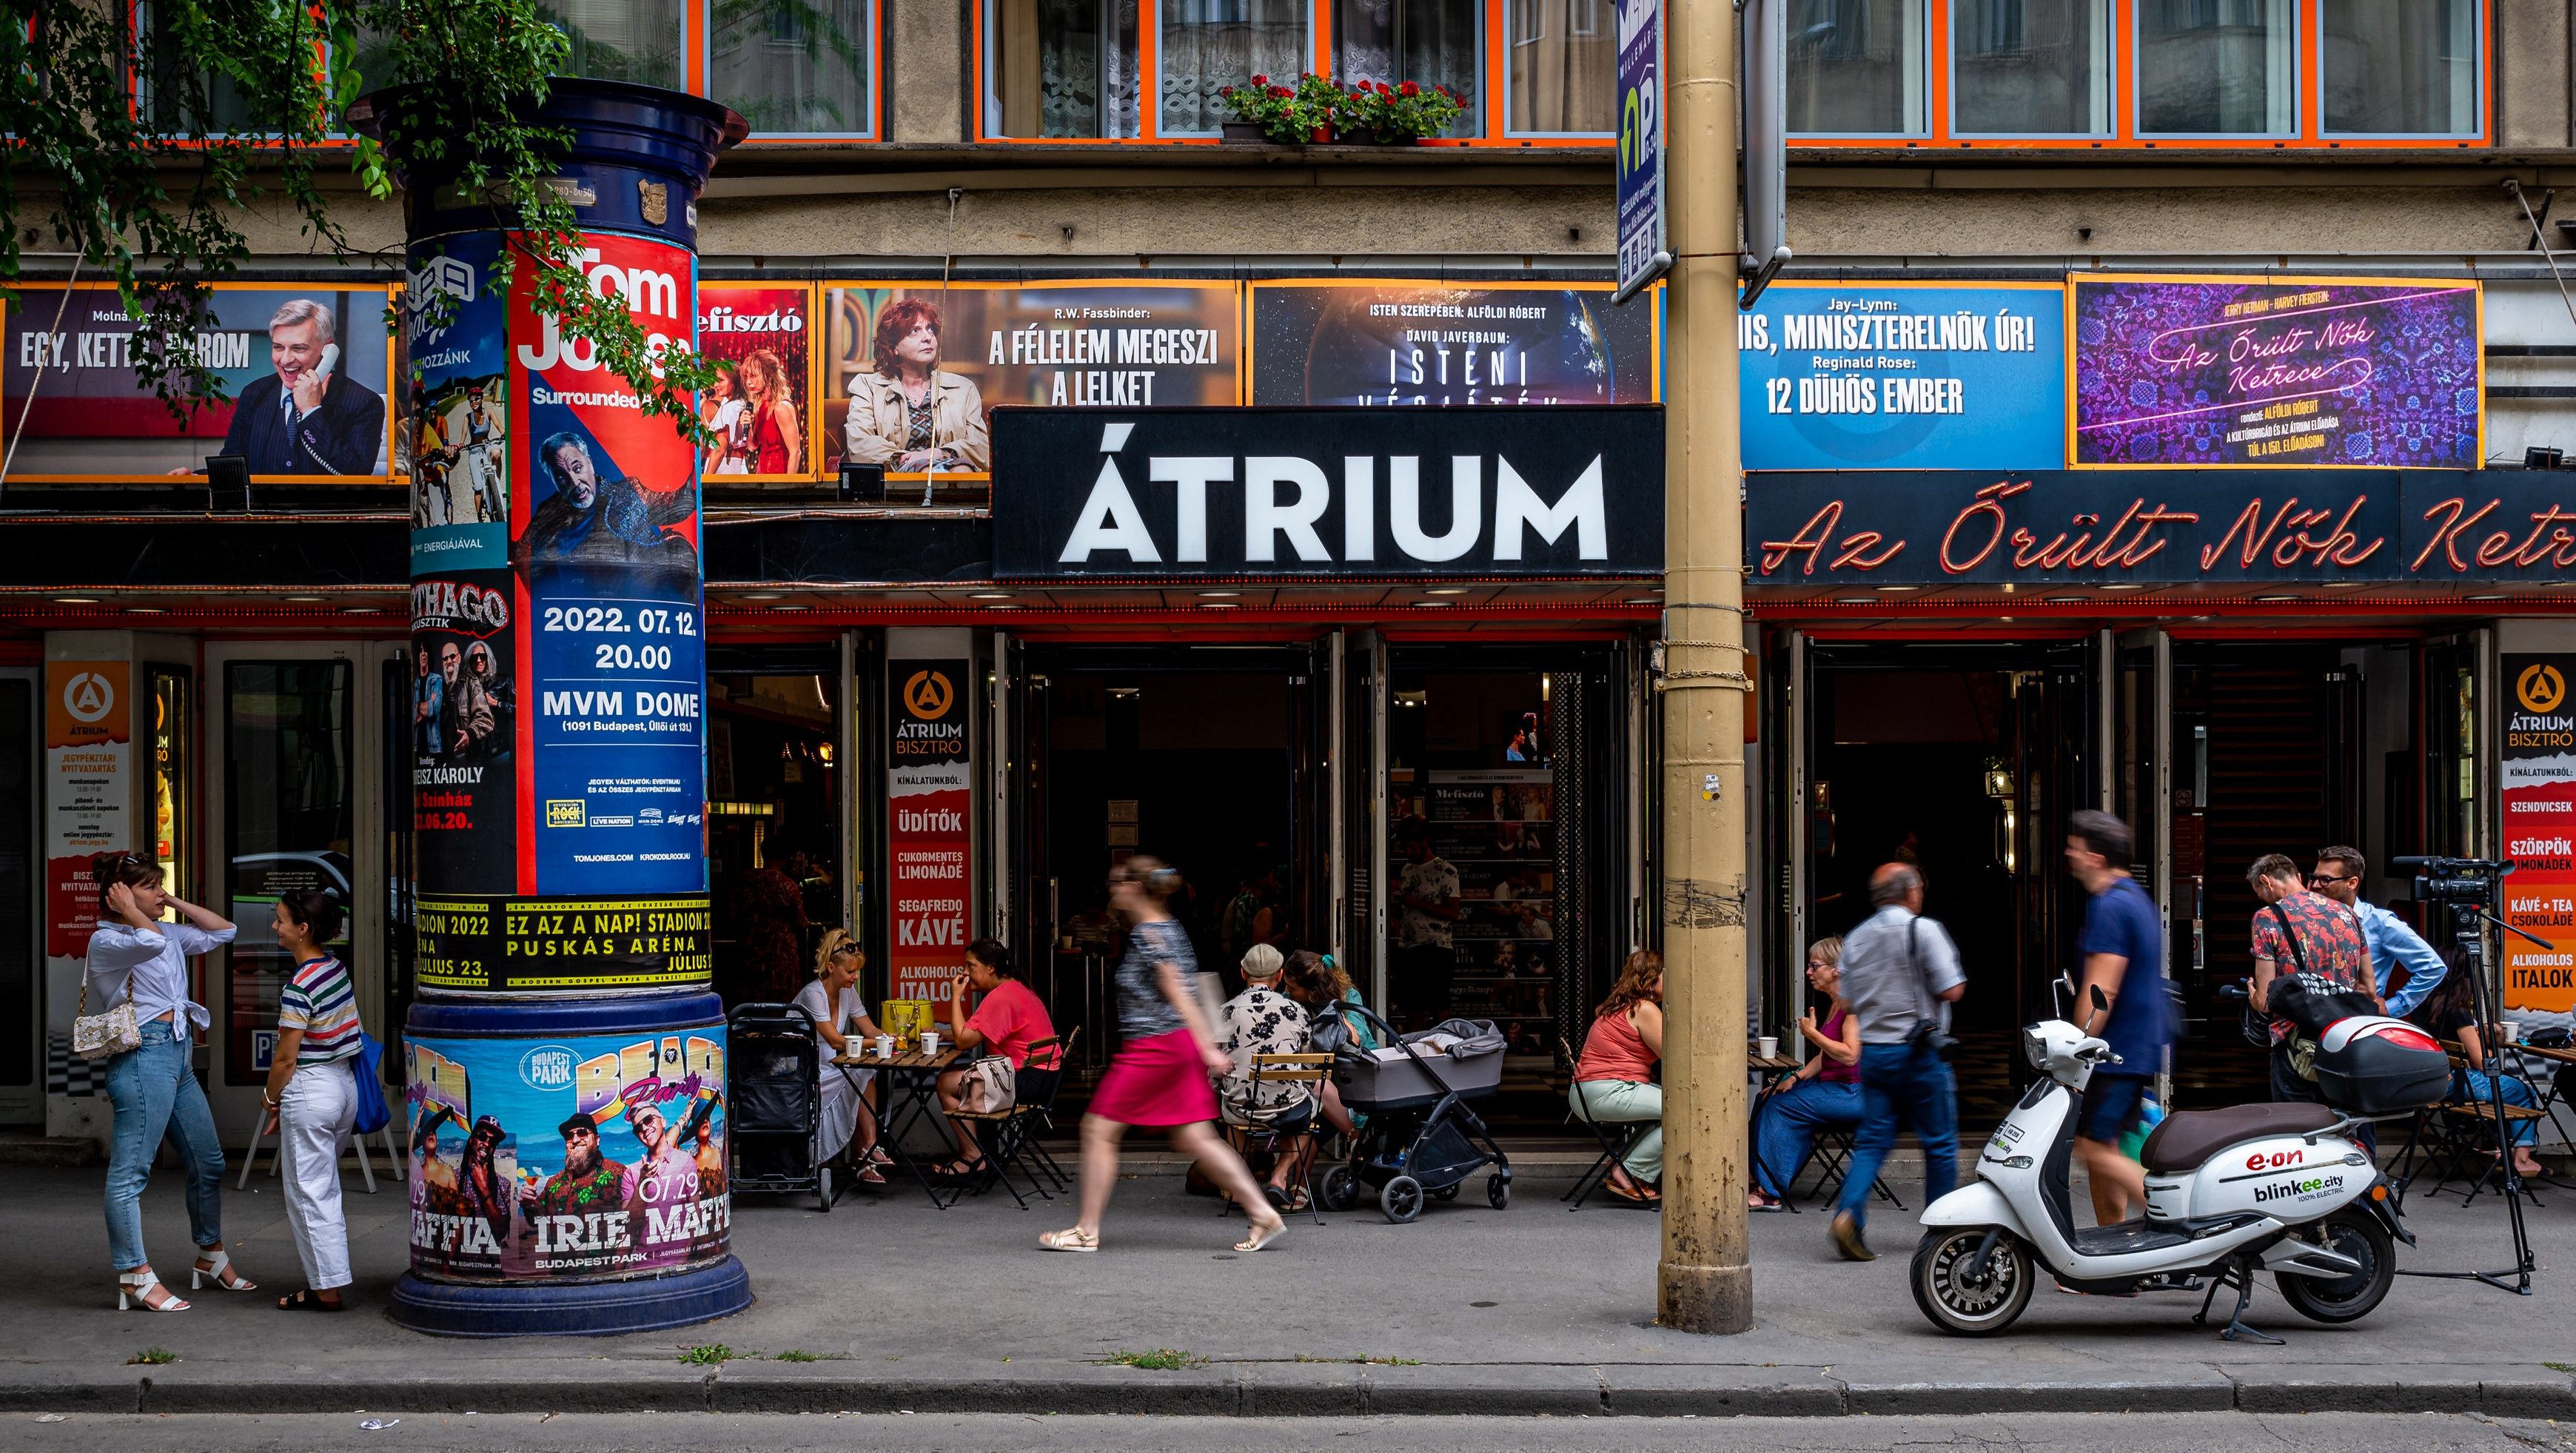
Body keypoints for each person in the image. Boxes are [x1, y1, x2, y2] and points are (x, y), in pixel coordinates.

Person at [1038, 856, 1287, 1254]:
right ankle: (1262, 1212)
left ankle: (1087, 1230)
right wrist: (1202, 1045)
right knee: (1196, 1136)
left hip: (1154, 1048)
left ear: (1135, 889)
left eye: (1118, 883)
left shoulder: (1149, 934)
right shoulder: (1169, 929)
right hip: (1174, 1046)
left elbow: (1176, 991)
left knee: (1098, 1130)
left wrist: (1207, 1046)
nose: (1112, 890)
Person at [87, 852, 256, 1312]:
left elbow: (225, 931)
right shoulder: (108, 940)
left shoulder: (163, 927)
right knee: (131, 1174)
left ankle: (210, 1256)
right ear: (120, 895)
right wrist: (132, 912)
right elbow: (153, 944)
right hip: (144, 1057)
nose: (159, 893)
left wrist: (172, 901)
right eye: (150, 886)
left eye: (161, 885)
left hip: (177, 1052)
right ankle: (134, 1274)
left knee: (209, 1161)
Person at [1828, 863, 1965, 1261]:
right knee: (1939, 1144)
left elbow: (1849, 1001)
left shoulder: (1855, 938)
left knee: (1871, 1141)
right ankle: (1942, 1232)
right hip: (1919, 1052)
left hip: (1875, 1053)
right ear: (1910, 892)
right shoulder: (1922, 930)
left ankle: (1849, 1214)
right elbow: (1952, 990)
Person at [258, 890, 360, 1311]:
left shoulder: (299, 986)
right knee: (323, 1186)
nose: (275, 927)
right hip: (343, 1088)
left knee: (310, 1191)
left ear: (303, 930)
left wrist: (270, 1097)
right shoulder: (335, 969)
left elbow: (285, 1058)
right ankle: (326, 1281)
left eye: (281, 920)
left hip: (310, 1087)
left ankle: (327, 1288)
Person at [2065, 810, 2169, 1227]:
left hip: (2115, 1051)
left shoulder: (2110, 905)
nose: (2069, 855)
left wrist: (2075, 1049)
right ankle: (2115, 1247)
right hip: (2131, 1048)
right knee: (2104, 1146)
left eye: (2075, 847)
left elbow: (2101, 991)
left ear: (2096, 857)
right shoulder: (2135, 899)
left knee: (2094, 1148)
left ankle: (2177, 1222)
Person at [2248, 853, 2380, 1137]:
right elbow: (2369, 988)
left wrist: (2252, 995)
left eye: (2260, 893)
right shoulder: (2348, 914)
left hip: (2294, 1041)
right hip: (2345, 1038)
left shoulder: (2267, 918)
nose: (2262, 899)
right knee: (2349, 1122)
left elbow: (2266, 999)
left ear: (2265, 882)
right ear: (2296, 876)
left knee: (2298, 1130)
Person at [196, 298, 386, 476]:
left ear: (328, 350)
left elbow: (357, 474)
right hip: (263, 511)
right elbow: (232, 468)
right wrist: (195, 478)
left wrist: (311, 411)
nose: (286, 359)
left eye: (299, 348)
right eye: (278, 347)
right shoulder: (254, 394)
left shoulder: (364, 403)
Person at [1750, 936, 1862, 1211]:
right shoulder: (1836, 1004)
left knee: (1779, 1108)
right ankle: (1757, 1175)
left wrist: (1812, 1034)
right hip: (1832, 1088)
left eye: (1814, 966)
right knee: (1766, 1096)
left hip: (1854, 1094)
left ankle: (1771, 1192)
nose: (1808, 972)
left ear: (1836, 969)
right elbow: (1825, 1058)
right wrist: (1794, 1078)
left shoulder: (1853, 1006)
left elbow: (1849, 1055)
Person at [933, 937, 1058, 1176]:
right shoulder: (1015, 988)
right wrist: (942, 1034)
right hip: (1042, 1079)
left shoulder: (1001, 997)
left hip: (1026, 1082)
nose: (965, 972)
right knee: (961, 1076)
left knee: (945, 1082)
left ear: (990, 968)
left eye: (971, 966)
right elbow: (976, 1033)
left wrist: (956, 996)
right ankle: (979, 1151)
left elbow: (963, 1041)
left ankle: (973, 1156)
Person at [1215, 945, 1319, 1211]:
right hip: (1287, 1108)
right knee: (1311, 1105)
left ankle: (1243, 1185)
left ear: (1242, 973)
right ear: (1280, 976)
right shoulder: (1297, 1011)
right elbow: (1307, 1063)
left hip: (1241, 1109)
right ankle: (1279, 1176)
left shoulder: (1225, 1011)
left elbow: (1214, 1069)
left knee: (1233, 1111)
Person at [2421, 966, 2548, 1180]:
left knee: (2504, 1092)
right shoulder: (2458, 1012)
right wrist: (2486, 1048)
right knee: (2524, 1093)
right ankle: (2522, 1160)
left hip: (2436, 1081)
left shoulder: (2427, 1007)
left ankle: (2502, 1151)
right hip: (2460, 1082)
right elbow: (2481, 1062)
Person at [842, 298, 990, 473]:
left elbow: (981, 448)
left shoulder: (964, 388)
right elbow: (860, 443)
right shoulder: (866, 387)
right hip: (898, 477)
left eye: (930, 329)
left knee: (962, 471)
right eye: (915, 331)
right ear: (893, 346)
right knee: (927, 472)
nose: (928, 337)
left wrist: (937, 454)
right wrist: (907, 459)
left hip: (955, 467)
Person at [516, 432, 698, 573]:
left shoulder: (627, 492)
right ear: (553, 479)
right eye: (561, 477)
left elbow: (677, 506)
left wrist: (698, 471)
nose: (574, 482)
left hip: (639, 594)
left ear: (589, 463)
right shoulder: (547, 514)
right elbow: (523, 554)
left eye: (577, 468)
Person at [1569, 949, 1666, 1207]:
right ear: (1653, 978)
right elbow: (1672, 1054)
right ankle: (1629, 1172)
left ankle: (1624, 1166)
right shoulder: (1644, 1009)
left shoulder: (1622, 1004)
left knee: (1671, 1110)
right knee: (1685, 1111)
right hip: (1607, 1091)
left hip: (1590, 1092)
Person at [791, 929, 887, 1185]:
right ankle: (864, 1155)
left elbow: (870, 1029)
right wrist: (879, 1042)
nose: (855, 977)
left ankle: (867, 1149)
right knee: (861, 1072)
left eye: (857, 971)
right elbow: (835, 1040)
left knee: (866, 1072)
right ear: (831, 967)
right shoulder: (814, 994)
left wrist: (894, 1036)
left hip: (828, 1066)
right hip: (802, 1073)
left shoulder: (847, 991)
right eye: (850, 972)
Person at [2310, 845, 2448, 1018]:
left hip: (2356, 1023)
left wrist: (2393, 1007)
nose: (2315, 885)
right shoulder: (2310, 919)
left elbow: (2433, 967)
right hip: (2313, 1020)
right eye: (2314, 878)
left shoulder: (2379, 923)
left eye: (2325, 879)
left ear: (2352, 883)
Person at [1392, 821, 1460, 1026]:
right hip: (1409, 947)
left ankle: (1441, 1051)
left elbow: (1453, 912)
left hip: (1436, 948)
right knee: (1413, 1008)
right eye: (1405, 847)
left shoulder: (1445, 871)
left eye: (1412, 847)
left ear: (1425, 842)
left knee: (1439, 1007)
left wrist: (1416, 903)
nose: (1408, 852)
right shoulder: (1406, 870)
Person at [725, 856, 809, 1008]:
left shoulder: (746, 882)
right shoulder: (788, 885)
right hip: (781, 952)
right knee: (784, 999)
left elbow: (731, 914)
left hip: (752, 949)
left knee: (751, 997)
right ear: (783, 859)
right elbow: (801, 922)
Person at [738, 348, 804, 474]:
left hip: (780, 474)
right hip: (762, 474)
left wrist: (789, 486)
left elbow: (795, 452)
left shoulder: (781, 407)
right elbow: (752, 447)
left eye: (753, 376)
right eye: (746, 377)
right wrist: (748, 425)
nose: (748, 382)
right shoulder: (759, 407)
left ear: (768, 376)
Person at [699, 362, 748, 475]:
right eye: (715, 380)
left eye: (721, 380)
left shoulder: (730, 408)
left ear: (734, 381)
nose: (716, 385)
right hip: (734, 465)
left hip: (723, 467)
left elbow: (720, 450)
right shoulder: (738, 404)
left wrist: (708, 478)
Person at [413, 644, 443, 758]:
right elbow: (414, 717)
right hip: (418, 743)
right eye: (421, 651)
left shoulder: (437, 679)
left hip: (434, 744)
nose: (423, 654)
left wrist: (419, 706)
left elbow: (435, 709)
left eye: (426, 651)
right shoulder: (416, 682)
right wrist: (429, 702)